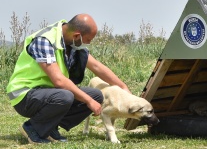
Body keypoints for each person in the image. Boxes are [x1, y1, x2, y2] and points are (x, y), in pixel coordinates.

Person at [6, 13, 131, 144]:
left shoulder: (71, 41)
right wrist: (88, 101)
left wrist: (123, 87)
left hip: (48, 93)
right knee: (66, 96)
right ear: (77, 36)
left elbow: (97, 67)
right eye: (87, 40)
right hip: (25, 95)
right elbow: (58, 80)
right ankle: (33, 128)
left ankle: (50, 127)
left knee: (96, 96)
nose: (88, 44)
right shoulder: (44, 40)